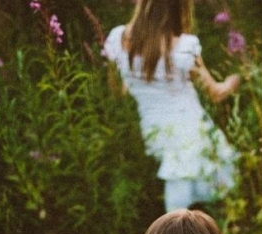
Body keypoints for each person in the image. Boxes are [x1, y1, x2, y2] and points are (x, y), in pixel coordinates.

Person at [103, 0, 241, 212]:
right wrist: (235, 80)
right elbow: (215, 93)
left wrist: (143, 85)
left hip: (153, 131)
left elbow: (117, 91)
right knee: (214, 192)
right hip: (189, 131)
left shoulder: (117, 39)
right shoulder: (184, 47)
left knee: (179, 195)